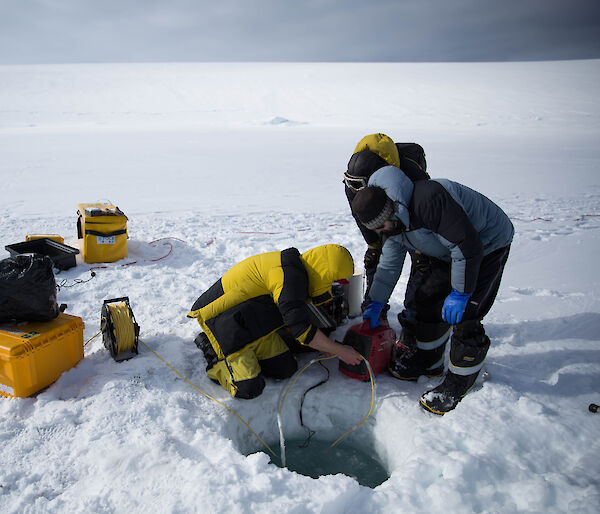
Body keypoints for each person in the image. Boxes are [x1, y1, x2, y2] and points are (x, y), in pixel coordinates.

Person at [351, 167, 513, 414]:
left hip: (486, 244)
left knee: (467, 314)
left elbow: (466, 245)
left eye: (381, 226)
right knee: (426, 298)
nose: (381, 233)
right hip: (447, 250)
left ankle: (458, 383)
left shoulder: (429, 201)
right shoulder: (392, 225)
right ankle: (429, 360)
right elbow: (389, 264)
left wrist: (461, 293)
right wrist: (375, 301)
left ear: (391, 210)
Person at [187, 244, 362, 399]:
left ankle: (249, 354)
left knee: (284, 369)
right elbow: (300, 329)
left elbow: (292, 317)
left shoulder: (297, 272)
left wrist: (324, 345)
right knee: (249, 387)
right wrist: (339, 350)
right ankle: (211, 347)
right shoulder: (288, 277)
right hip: (222, 322)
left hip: (252, 323)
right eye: (334, 281)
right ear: (325, 273)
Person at [343, 133, 429, 317]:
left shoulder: (412, 176)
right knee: (378, 258)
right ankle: (375, 309)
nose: (356, 190)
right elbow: (361, 216)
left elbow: (424, 211)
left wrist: (421, 248)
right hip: (381, 212)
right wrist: (373, 244)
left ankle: (415, 316)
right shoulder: (353, 182)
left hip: (413, 216)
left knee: (423, 265)